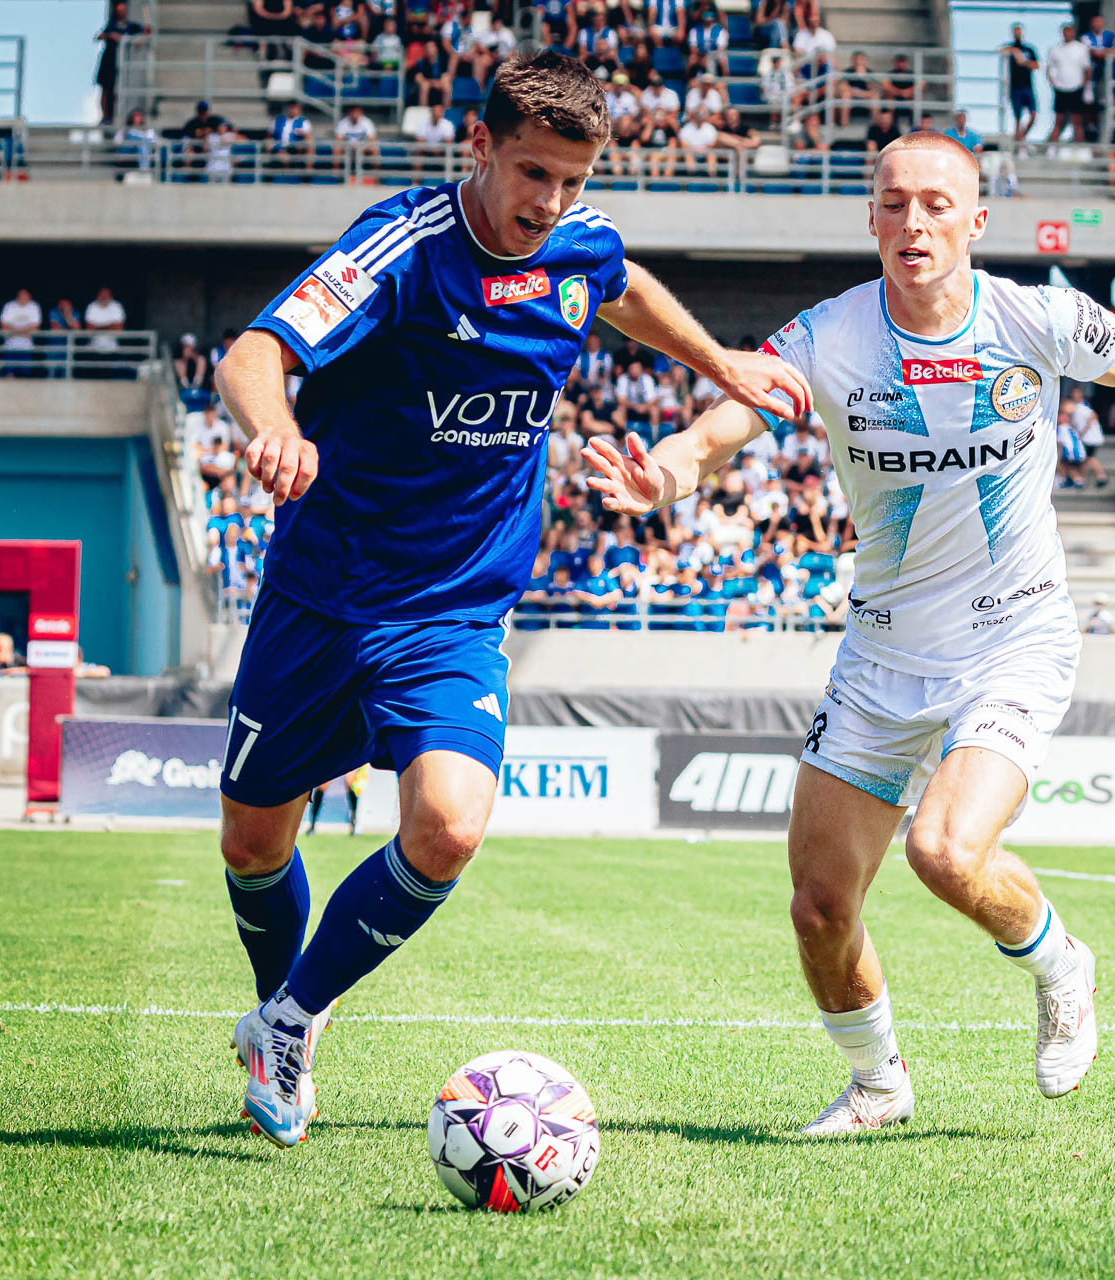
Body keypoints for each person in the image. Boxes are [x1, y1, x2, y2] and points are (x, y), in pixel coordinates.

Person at [209, 49, 810, 1149]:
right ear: (479, 145)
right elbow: (253, 353)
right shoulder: (403, 247)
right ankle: (277, 1001)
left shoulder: (578, 240)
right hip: (323, 593)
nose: (552, 203)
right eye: (534, 173)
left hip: (455, 606)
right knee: (253, 843)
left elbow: (619, 285)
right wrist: (276, 428)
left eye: (574, 181)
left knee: (447, 826)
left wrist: (720, 363)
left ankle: (291, 1020)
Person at [581, 130, 1115, 1134]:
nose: (913, 222)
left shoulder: (1038, 317)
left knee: (945, 849)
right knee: (818, 906)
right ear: (872, 219)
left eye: (936, 204)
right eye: (893, 203)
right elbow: (722, 428)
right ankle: (878, 1084)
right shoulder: (830, 337)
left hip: (1013, 639)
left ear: (976, 220)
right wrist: (663, 474)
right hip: (882, 653)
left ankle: (1061, 962)